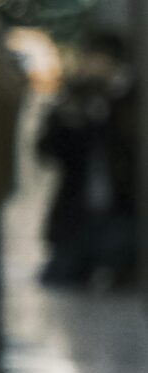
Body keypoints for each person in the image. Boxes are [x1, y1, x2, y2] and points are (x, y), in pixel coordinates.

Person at [37, 33, 138, 286]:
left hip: (120, 217)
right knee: (57, 277)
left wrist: (110, 102)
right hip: (77, 218)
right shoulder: (74, 99)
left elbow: (127, 147)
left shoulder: (128, 103)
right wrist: (75, 107)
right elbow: (47, 150)